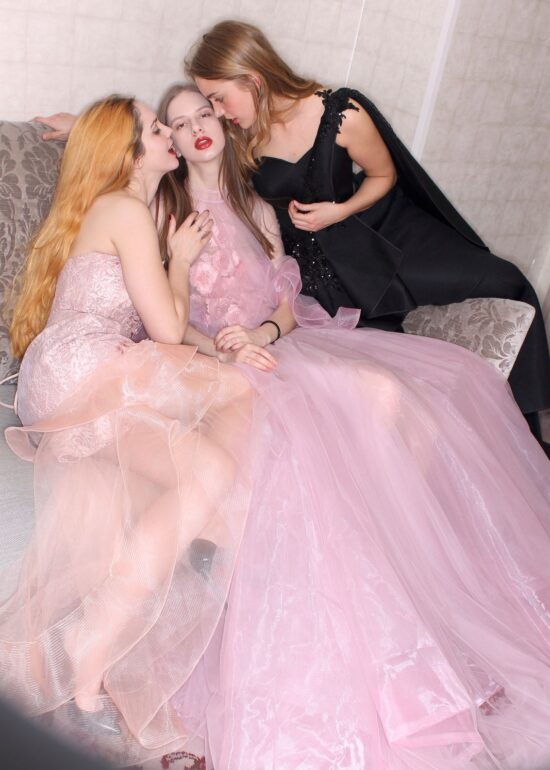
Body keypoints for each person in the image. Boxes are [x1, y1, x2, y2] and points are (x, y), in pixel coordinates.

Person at [154, 84, 550, 770]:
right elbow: (164, 313)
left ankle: (424, 595)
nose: (198, 129)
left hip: (284, 341)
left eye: (205, 114)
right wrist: (224, 344)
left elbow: (287, 294)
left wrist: (266, 332)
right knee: (314, 433)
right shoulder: (168, 210)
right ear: (171, 140)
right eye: (181, 124)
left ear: (222, 121)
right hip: (217, 358)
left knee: (406, 393)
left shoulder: (255, 202)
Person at [0, 94, 255, 767]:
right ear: (130, 152)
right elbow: (167, 330)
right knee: (233, 408)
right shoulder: (125, 209)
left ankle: (89, 671)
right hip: (90, 366)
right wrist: (181, 259)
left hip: (74, 374)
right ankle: (190, 554)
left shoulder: (119, 207)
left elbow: (168, 331)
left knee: (203, 475)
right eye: (157, 128)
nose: (170, 133)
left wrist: (67, 122)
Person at [185, 19, 550, 444]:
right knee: (376, 375)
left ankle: (529, 428)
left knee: (508, 282)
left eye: (219, 97)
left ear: (252, 78)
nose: (219, 111)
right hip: (315, 277)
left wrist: (339, 211)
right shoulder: (238, 134)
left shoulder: (340, 113)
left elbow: (384, 175)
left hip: (373, 236)